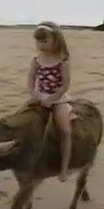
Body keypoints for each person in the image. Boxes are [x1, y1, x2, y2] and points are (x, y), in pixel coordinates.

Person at [27, 21, 72, 182]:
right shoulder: (36, 60)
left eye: (45, 41)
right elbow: (30, 81)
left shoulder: (63, 60)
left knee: (65, 130)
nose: (41, 45)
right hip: (40, 96)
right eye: (38, 41)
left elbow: (65, 84)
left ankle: (64, 167)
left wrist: (52, 99)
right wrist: (35, 95)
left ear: (55, 39)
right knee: (21, 121)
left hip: (58, 98)